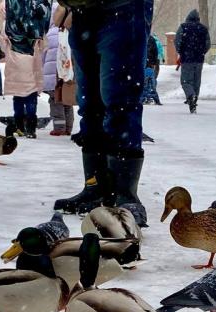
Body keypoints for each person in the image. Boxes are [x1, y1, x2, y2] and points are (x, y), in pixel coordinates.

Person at [52, 0, 152, 227]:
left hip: (122, 7)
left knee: (121, 101)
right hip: (81, 9)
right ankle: (95, 187)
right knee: (89, 104)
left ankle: (123, 194)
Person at [2, 0, 50, 138]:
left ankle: (19, 126)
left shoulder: (9, 25)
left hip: (15, 68)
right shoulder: (35, 24)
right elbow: (43, 45)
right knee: (31, 100)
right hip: (31, 67)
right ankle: (31, 128)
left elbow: (2, 43)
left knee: (18, 99)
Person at [43, 4, 75, 135]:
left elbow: (43, 55)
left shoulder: (49, 34)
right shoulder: (69, 32)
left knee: (55, 101)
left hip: (53, 74)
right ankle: (69, 127)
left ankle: (59, 128)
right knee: (67, 99)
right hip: (67, 72)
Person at [175, 9, 210, 113]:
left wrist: (181, 51)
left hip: (187, 59)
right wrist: (202, 52)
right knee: (196, 81)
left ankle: (191, 96)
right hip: (199, 59)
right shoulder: (203, 29)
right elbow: (208, 44)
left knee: (185, 81)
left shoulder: (183, 27)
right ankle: (193, 102)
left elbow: (177, 41)